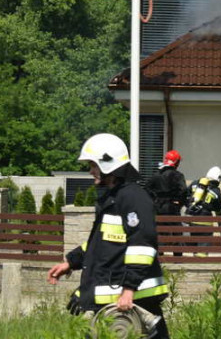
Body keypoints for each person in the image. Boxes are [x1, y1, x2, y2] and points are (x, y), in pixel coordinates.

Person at [46, 133, 171, 338]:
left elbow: (143, 244)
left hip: (134, 299)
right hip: (119, 298)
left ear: (108, 164)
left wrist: (129, 289)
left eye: (93, 165)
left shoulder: (133, 197)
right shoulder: (114, 198)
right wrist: (71, 262)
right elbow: (101, 245)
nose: (90, 171)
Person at [148, 149, 188, 216]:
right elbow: (183, 190)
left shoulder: (156, 175)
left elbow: (147, 189)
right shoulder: (177, 175)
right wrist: (180, 202)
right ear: (176, 162)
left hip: (157, 208)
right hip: (172, 208)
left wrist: (155, 200)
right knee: (173, 226)